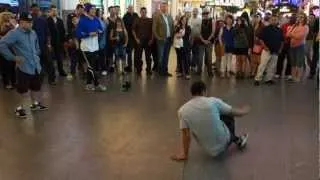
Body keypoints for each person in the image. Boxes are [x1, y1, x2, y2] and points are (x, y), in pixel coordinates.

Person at [171, 81, 249, 161]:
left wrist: (184, 154)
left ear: (192, 93)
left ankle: (235, 139)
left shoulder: (182, 111)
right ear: (204, 91)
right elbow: (234, 112)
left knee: (211, 115)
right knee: (227, 114)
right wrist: (244, 111)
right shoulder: (213, 101)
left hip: (209, 150)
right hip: (224, 143)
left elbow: (186, 136)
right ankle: (235, 139)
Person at [0, 12, 48, 118]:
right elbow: (2, 45)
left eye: (31, 22)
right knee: (23, 90)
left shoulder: (32, 32)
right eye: (28, 23)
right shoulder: (14, 34)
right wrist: (13, 57)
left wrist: (37, 52)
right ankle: (19, 108)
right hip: (23, 67)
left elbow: (36, 45)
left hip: (35, 66)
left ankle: (35, 104)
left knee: (36, 87)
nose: (31, 25)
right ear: (21, 22)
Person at [76, 3, 107, 91]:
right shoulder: (82, 20)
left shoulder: (96, 19)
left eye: (94, 9)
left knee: (91, 66)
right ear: (87, 10)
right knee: (91, 67)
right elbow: (78, 34)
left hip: (95, 47)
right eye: (92, 9)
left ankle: (88, 84)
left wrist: (98, 31)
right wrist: (89, 34)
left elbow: (102, 29)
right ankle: (97, 84)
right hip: (86, 47)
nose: (94, 11)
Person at [254, 15, 284, 86]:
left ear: (277, 21)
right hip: (267, 50)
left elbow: (282, 41)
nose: (274, 21)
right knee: (262, 65)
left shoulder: (279, 30)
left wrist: (280, 49)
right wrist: (265, 47)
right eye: (272, 20)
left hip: (275, 51)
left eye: (275, 20)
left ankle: (268, 79)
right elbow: (261, 39)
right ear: (270, 20)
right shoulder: (266, 29)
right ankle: (257, 79)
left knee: (272, 66)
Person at [31, 4, 56, 85]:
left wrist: (49, 44)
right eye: (34, 10)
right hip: (34, 47)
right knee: (36, 64)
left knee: (50, 63)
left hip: (44, 46)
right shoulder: (29, 20)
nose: (36, 12)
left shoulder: (43, 20)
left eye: (37, 10)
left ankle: (51, 79)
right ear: (31, 10)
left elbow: (48, 33)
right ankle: (37, 80)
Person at [152, 1, 174, 77]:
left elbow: (172, 28)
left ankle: (165, 71)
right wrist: (158, 38)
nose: (164, 8)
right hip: (161, 40)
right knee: (160, 56)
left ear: (167, 7)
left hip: (168, 39)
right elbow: (154, 29)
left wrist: (172, 38)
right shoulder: (157, 17)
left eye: (165, 6)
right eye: (162, 6)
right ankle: (160, 71)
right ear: (160, 7)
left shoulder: (170, 17)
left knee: (166, 56)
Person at [287, 12, 309, 82]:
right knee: (293, 63)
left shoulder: (305, 27)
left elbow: (300, 37)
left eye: (302, 17)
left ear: (305, 18)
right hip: (292, 46)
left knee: (299, 63)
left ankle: (298, 77)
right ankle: (293, 77)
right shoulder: (294, 25)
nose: (300, 18)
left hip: (300, 46)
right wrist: (292, 34)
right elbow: (287, 34)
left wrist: (292, 34)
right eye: (299, 17)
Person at [47, 5, 67, 77]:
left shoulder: (60, 21)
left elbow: (63, 31)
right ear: (50, 11)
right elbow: (47, 32)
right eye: (53, 10)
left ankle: (61, 71)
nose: (54, 12)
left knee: (59, 58)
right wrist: (48, 43)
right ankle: (52, 74)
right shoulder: (47, 21)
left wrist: (64, 41)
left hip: (59, 42)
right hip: (51, 43)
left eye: (55, 10)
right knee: (51, 60)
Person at [132, 7, 153, 76]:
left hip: (148, 41)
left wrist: (151, 39)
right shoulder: (137, 20)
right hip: (139, 41)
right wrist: (136, 39)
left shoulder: (150, 20)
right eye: (142, 12)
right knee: (138, 56)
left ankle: (149, 69)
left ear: (146, 12)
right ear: (140, 12)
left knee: (148, 57)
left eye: (145, 12)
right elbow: (133, 30)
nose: (143, 13)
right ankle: (139, 69)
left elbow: (153, 31)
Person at [275, 15, 296, 80]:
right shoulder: (284, 25)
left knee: (290, 59)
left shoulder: (296, 26)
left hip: (291, 44)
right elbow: (281, 33)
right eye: (291, 18)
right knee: (280, 58)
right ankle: (278, 73)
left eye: (294, 19)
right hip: (283, 43)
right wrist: (284, 37)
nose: (292, 20)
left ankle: (288, 74)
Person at [0, 11, 16, 89]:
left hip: (11, 48)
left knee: (12, 65)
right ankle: (6, 83)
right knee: (5, 66)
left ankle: (14, 82)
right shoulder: (1, 26)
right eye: (7, 16)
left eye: (9, 16)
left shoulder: (11, 26)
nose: (8, 18)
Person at [174, 15, 191, 80]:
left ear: (186, 21)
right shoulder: (178, 26)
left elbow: (186, 35)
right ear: (181, 21)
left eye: (185, 20)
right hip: (178, 45)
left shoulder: (188, 27)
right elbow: (175, 33)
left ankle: (187, 73)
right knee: (179, 58)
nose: (184, 21)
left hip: (186, 45)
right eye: (183, 20)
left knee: (186, 59)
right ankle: (180, 72)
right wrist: (179, 34)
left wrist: (180, 35)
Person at [198, 7, 214, 77]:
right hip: (201, 42)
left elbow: (213, 32)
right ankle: (199, 71)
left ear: (209, 13)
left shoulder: (212, 21)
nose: (205, 14)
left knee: (209, 58)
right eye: (204, 13)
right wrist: (203, 40)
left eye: (207, 13)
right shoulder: (200, 21)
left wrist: (208, 40)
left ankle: (210, 72)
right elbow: (199, 32)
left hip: (209, 42)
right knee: (200, 58)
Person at [122, 5, 139, 73]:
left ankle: (136, 65)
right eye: (129, 8)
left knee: (137, 52)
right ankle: (129, 66)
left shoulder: (136, 15)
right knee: (129, 52)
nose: (131, 9)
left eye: (132, 8)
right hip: (129, 37)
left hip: (136, 36)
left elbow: (138, 23)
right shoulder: (125, 16)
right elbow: (123, 27)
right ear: (127, 9)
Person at [250, 13, 264, 78]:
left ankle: (257, 72)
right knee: (253, 59)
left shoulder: (262, 26)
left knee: (258, 59)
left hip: (258, 44)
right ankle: (253, 71)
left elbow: (264, 36)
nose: (255, 19)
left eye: (257, 17)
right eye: (255, 17)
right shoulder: (252, 25)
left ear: (260, 18)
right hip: (252, 44)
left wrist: (259, 39)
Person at [189, 8, 202, 72]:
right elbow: (188, 28)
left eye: (196, 11)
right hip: (190, 38)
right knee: (189, 52)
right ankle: (188, 64)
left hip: (197, 38)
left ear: (197, 12)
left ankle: (193, 65)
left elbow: (200, 29)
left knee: (195, 53)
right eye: (193, 11)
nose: (194, 12)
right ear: (192, 12)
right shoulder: (189, 19)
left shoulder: (200, 20)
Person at [96, 8, 108, 76]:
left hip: (103, 41)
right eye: (99, 12)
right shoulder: (96, 20)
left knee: (102, 56)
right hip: (97, 41)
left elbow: (105, 29)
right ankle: (97, 69)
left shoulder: (103, 20)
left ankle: (103, 69)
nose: (100, 13)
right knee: (97, 56)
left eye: (101, 12)